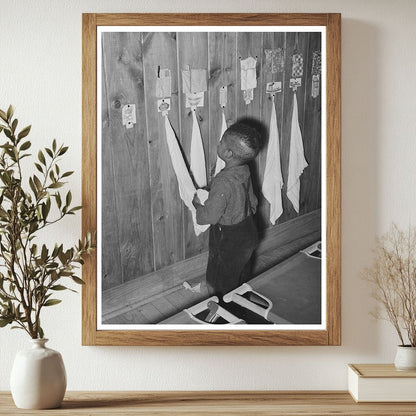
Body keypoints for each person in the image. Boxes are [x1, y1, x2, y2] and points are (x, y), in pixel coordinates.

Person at [192, 122, 260, 298]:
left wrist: (198, 205)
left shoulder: (223, 181)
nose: (218, 143)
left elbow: (209, 217)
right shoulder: (244, 169)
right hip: (248, 231)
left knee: (219, 278)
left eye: (221, 142)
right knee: (241, 271)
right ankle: (242, 303)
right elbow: (253, 201)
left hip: (228, 238)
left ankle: (221, 313)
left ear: (228, 154)